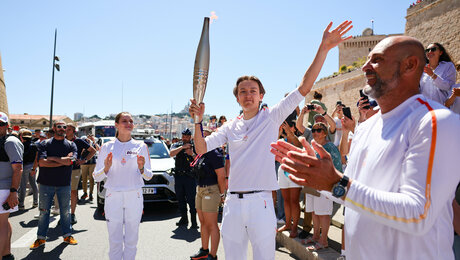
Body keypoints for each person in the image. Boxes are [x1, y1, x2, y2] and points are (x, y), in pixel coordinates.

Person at [271, 36, 460, 259]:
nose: (364, 66)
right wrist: (313, 174)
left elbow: (418, 214)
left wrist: (335, 182)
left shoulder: (435, 122)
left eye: (377, 60)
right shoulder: (366, 128)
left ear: (410, 65)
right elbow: (349, 195)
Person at [189, 20, 352, 260]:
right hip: (233, 204)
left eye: (253, 91)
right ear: (237, 99)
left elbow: (304, 87)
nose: (248, 95)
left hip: (261, 203)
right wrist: (197, 121)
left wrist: (324, 48)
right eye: (243, 92)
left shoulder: (271, 117)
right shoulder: (229, 127)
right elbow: (201, 147)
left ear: (261, 95)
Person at [93, 112, 153, 260]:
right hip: (113, 195)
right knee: (115, 240)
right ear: (117, 125)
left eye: (131, 121)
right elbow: (97, 176)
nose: (129, 124)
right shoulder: (107, 147)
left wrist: (141, 168)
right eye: (124, 121)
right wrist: (106, 168)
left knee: (132, 239)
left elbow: (148, 176)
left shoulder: (141, 146)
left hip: (134, 195)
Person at [30, 121, 78, 249]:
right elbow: (42, 163)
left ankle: (67, 235)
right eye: (59, 127)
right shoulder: (44, 144)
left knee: (66, 212)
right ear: (54, 128)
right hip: (46, 183)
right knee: (44, 212)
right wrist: (63, 161)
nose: (62, 129)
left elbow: (71, 161)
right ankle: (41, 238)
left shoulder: (71, 145)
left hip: (64, 183)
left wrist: (52, 158)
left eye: (64, 127)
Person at [302, 122, 342, 250]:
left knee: (324, 213)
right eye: (313, 130)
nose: (315, 132)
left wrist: (331, 184)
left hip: (325, 184)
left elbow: (338, 166)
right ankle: (315, 236)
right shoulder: (313, 146)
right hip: (312, 182)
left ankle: (323, 240)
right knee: (314, 211)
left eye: (318, 130)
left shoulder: (330, 147)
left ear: (325, 133)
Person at [190, 128, 226, 260]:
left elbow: (221, 176)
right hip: (200, 189)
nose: (199, 140)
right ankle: (204, 250)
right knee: (203, 222)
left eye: (203, 137)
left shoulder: (214, 152)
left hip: (211, 190)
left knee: (212, 224)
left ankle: (213, 254)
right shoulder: (201, 154)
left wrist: (222, 195)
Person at [0, 112, 23, 260]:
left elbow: (18, 169)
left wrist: (13, 192)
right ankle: (6, 254)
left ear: (7, 126)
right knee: (4, 222)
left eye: (0, 124)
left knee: (1, 224)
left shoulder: (10, 142)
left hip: (4, 188)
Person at [65, 123, 96, 224]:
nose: (66, 131)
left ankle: (72, 214)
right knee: (62, 193)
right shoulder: (61, 140)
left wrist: (84, 160)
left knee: (73, 192)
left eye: (69, 129)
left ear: (74, 131)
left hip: (74, 169)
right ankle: (64, 215)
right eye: (66, 129)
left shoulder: (78, 141)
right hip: (61, 170)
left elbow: (93, 151)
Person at [277, 121, 302, 238]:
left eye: (290, 126)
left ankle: (295, 227)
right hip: (282, 171)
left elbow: (298, 145)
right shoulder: (282, 141)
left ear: (294, 128)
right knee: (286, 200)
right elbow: (274, 144)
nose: (286, 128)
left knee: (294, 201)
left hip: (295, 172)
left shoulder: (299, 139)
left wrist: (290, 133)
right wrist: (278, 131)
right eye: (285, 126)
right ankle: (287, 224)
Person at [169, 128, 198, 228]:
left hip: (190, 177)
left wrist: (192, 153)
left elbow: (199, 160)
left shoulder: (194, 145)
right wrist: (182, 147)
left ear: (190, 137)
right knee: (180, 199)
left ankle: (194, 221)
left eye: (187, 136)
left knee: (191, 200)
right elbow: (171, 153)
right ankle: (184, 218)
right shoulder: (178, 145)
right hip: (179, 176)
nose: (185, 138)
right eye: (183, 136)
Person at [17, 129, 38, 210]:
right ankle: (35, 202)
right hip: (33, 165)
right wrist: (34, 168)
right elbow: (37, 158)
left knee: (23, 185)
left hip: (25, 166)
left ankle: (21, 204)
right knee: (33, 184)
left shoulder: (21, 145)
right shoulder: (35, 145)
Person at [80, 135, 99, 202]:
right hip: (84, 163)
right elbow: (81, 152)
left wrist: (93, 142)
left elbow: (98, 149)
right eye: (89, 137)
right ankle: (85, 193)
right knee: (84, 179)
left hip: (92, 163)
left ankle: (91, 193)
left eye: (91, 137)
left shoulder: (93, 143)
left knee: (91, 179)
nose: (89, 139)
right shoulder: (83, 143)